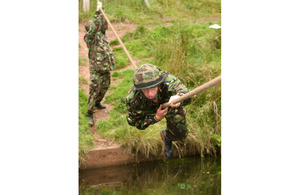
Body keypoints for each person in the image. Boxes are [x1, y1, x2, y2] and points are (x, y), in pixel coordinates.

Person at [126, 64, 192, 159]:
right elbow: (134, 122)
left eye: (153, 88)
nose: (150, 94)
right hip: (148, 109)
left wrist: (179, 97)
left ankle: (167, 136)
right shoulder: (133, 99)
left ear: (159, 83)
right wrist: (155, 118)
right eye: (145, 90)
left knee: (181, 134)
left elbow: (187, 95)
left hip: (169, 103)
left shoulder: (166, 80)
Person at [84, 1, 115, 126]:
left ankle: (98, 102)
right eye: (95, 28)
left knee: (106, 85)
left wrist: (102, 11)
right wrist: (97, 12)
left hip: (105, 67)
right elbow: (96, 25)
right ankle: (89, 112)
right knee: (94, 89)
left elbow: (103, 23)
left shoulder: (101, 34)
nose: (98, 28)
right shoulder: (89, 38)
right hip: (96, 69)